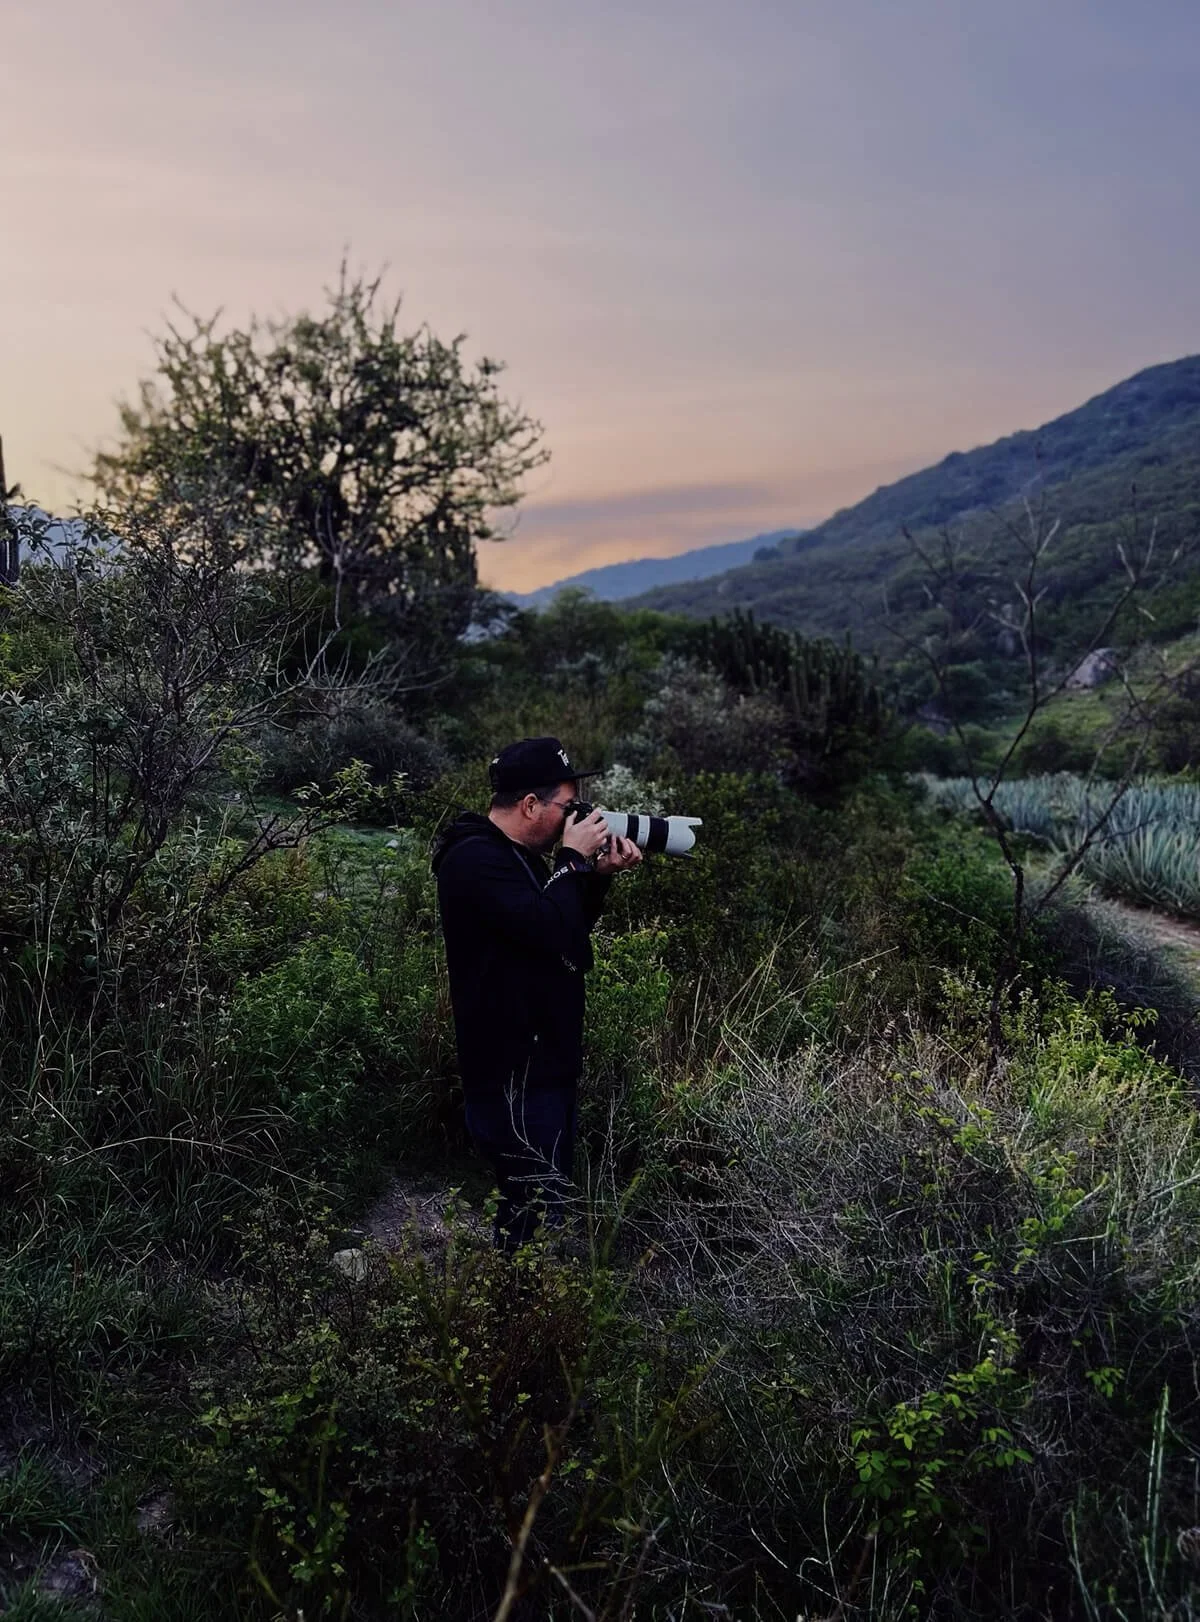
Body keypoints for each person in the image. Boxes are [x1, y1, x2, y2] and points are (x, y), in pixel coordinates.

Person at [432, 737, 642, 1249]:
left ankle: (522, 1305)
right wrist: (572, 860)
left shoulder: (515, 857)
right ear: (530, 804)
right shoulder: (475, 858)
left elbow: (555, 932)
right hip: (512, 1075)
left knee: (539, 1205)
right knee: (534, 1208)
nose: (580, 818)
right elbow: (548, 928)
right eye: (568, 808)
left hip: (538, 1065)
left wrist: (593, 878)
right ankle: (518, 1313)